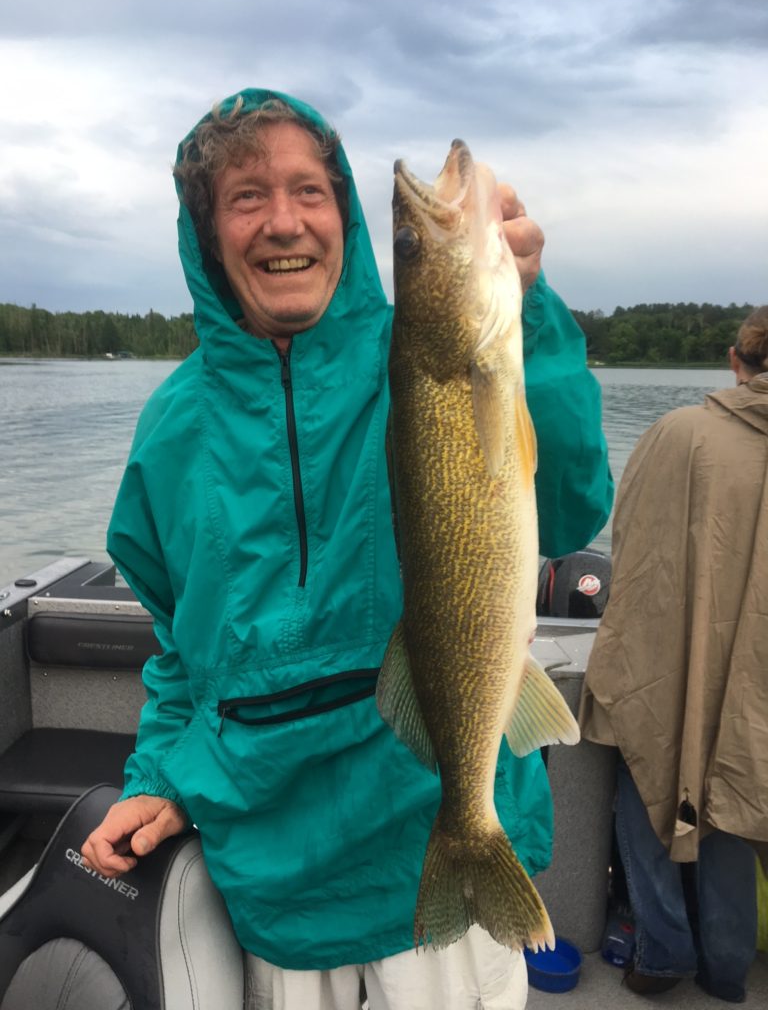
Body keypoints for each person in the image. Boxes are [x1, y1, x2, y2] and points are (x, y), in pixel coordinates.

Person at [81, 88, 613, 1009]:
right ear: (209, 233)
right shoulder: (169, 434)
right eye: (247, 197)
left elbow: (565, 508)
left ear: (345, 218)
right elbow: (183, 656)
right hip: (274, 880)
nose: (283, 221)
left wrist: (529, 312)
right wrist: (159, 778)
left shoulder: (422, 357)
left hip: (426, 844)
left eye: (308, 191)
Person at [579, 306, 768, 1004]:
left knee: (647, 785)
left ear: (733, 359)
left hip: (673, 657)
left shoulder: (678, 434)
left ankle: (660, 956)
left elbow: (631, 547)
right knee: (735, 807)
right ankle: (726, 969)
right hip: (757, 685)